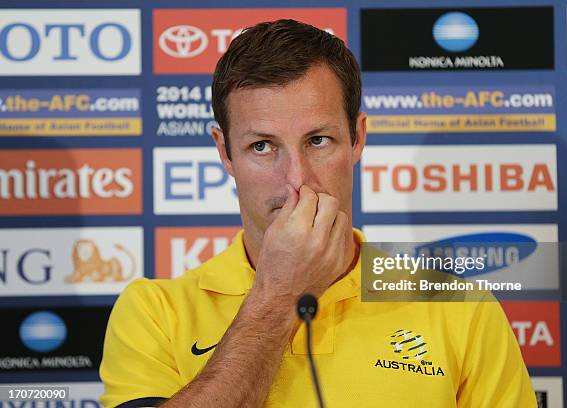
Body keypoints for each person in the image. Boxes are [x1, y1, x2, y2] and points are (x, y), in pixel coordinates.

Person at [100, 19, 537, 408]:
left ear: (357, 137)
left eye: (318, 141)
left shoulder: (459, 308)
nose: (297, 179)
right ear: (225, 152)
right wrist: (280, 295)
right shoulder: (154, 312)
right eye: (262, 146)